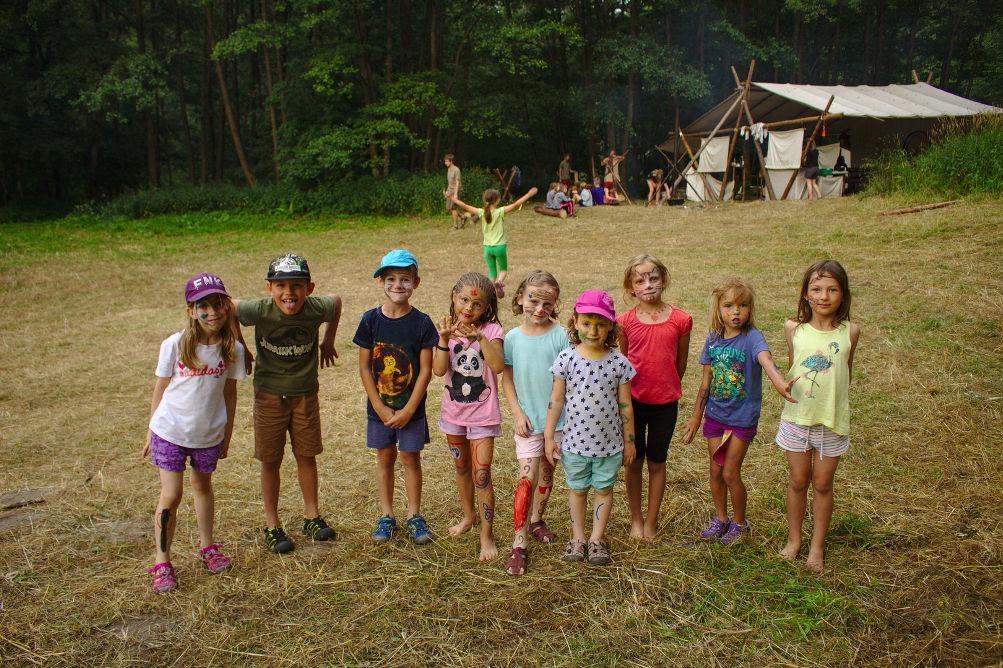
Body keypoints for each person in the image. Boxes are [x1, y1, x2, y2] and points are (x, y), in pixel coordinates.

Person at [233, 253, 343, 554]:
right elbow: (230, 308)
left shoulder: (315, 307)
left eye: (296, 285)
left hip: (304, 394)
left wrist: (328, 340)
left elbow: (336, 302)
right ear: (270, 288)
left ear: (309, 288)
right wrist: (240, 345)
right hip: (269, 395)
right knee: (271, 460)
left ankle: (311, 516)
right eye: (281, 285)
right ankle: (273, 523)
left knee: (307, 455)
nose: (289, 293)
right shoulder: (260, 310)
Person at [145, 273, 246, 593]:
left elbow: (230, 394)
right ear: (191, 310)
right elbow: (160, 388)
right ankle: (162, 561)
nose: (213, 312)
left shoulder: (233, 350)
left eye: (219, 304)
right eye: (204, 306)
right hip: (170, 431)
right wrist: (150, 430)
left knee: (203, 487)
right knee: (171, 494)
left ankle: (208, 547)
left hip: (208, 435)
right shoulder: (174, 345)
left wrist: (227, 435)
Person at [680, 278, 797, 545]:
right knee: (715, 470)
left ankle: (740, 523)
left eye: (743, 306)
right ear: (718, 308)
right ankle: (721, 519)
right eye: (729, 305)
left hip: (742, 419)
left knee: (731, 472)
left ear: (750, 309)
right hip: (715, 417)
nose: (736, 312)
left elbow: (765, 359)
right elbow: (705, 383)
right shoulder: (713, 340)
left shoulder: (752, 338)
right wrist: (697, 416)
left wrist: (779, 382)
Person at [776, 260, 860, 573]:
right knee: (798, 481)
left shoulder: (850, 331)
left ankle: (816, 547)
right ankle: (795, 540)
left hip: (831, 422)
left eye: (832, 289)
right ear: (805, 294)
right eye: (816, 289)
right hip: (797, 419)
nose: (824, 296)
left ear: (843, 294)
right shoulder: (793, 329)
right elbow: (793, 368)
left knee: (823, 484)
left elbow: (845, 373)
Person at [354, 250, 440, 545]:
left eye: (405, 279)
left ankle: (415, 515)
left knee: (410, 459)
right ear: (381, 282)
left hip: (411, 411)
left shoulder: (422, 323)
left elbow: (426, 371)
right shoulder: (370, 320)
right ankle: (387, 515)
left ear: (416, 281)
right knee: (385, 458)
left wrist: (409, 409)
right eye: (391, 279)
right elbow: (365, 367)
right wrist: (378, 405)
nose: (398, 285)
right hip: (379, 410)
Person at [546, 290, 636, 566]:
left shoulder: (619, 363)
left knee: (604, 490)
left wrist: (629, 441)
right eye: (587, 323)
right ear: (575, 322)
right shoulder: (566, 359)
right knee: (577, 490)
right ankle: (578, 538)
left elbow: (625, 406)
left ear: (610, 326)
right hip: (574, 444)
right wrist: (550, 437)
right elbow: (557, 400)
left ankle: (597, 539)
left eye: (600, 324)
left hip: (609, 446)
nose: (593, 330)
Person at [616, 255, 691, 540]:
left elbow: (680, 363)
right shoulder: (624, 323)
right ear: (631, 287)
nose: (648, 285)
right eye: (640, 280)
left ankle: (651, 520)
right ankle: (636, 519)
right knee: (633, 461)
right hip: (633, 405)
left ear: (664, 280)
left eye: (653, 278)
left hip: (665, 405)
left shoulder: (682, 319)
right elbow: (622, 366)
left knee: (658, 461)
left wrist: (667, 387)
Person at [433, 273, 506, 561]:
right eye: (464, 299)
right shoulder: (445, 330)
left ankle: (486, 535)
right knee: (461, 468)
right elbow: (440, 371)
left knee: (482, 475)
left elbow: (498, 366)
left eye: (477, 304)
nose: (469, 308)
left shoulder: (493, 331)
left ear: (486, 308)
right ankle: (468, 516)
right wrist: (442, 338)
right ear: (454, 297)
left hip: (483, 416)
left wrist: (480, 339)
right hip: (454, 414)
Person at [502, 270, 570, 575]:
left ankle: (537, 519)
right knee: (526, 477)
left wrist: (554, 427)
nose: (539, 309)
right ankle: (519, 543)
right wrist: (517, 413)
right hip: (528, 423)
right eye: (533, 299)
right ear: (520, 297)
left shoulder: (561, 336)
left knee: (546, 474)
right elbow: (507, 378)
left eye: (547, 303)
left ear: (554, 305)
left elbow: (567, 380)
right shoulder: (512, 339)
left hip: (558, 424)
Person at [447, 186, 539, 300]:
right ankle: (499, 283)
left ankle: (489, 294)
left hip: (487, 248)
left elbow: (465, 206)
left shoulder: (480, 212)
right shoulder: (499, 212)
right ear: (497, 200)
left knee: (492, 273)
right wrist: (529, 194)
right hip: (499, 247)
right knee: (503, 270)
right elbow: (515, 205)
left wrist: (454, 199)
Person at [443, 153, 467, 229]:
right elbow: (450, 181)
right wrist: (447, 191)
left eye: (447, 161)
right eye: (445, 161)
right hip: (450, 191)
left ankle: (455, 226)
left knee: (453, 208)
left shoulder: (456, 170)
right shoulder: (448, 169)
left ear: (451, 161)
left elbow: (457, 182)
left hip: (456, 191)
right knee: (449, 208)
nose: (445, 163)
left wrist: (456, 194)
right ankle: (462, 217)